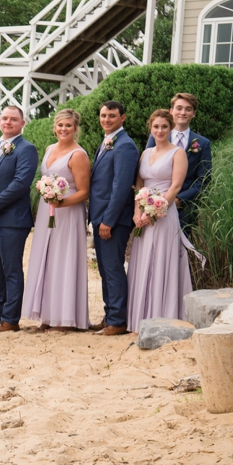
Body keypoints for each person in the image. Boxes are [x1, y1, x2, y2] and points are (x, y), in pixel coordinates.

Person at [21, 109, 91, 332]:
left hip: (68, 213)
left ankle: (65, 318)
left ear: (76, 128)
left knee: (64, 259)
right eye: (60, 125)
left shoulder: (78, 155)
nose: (64, 129)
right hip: (47, 211)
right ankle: (49, 316)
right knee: (48, 258)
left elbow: (83, 192)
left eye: (69, 126)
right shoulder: (50, 149)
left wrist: (62, 203)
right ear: (55, 127)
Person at [128, 109, 194, 332]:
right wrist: (138, 212)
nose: (159, 130)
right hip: (143, 217)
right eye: (156, 127)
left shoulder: (178, 153)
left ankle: (162, 317)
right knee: (144, 260)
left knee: (161, 261)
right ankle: (140, 318)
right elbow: (139, 185)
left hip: (164, 216)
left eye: (164, 127)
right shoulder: (145, 153)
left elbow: (175, 186)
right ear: (150, 128)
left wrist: (154, 210)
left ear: (171, 128)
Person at [0, 106, 39, 334]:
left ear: (22, 123)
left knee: (11, 270)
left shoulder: (27, 149)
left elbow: (21, 183)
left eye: (14, 119)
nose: (8, 122)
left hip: (13, 220)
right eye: (4, 118)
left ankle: (10, 319)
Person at [88, 101, 140, 337]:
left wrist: (108, 220)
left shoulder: (125, 145)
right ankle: (110, 316)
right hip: (100, 217)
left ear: (123, 118)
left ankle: (118, 320)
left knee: (113, 269)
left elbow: (120, 187)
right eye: (103, 115)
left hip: (113, 220)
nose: (106, 119)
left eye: (111, 116)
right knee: (105, 270)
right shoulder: (108, 141)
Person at [145, 93, 212, 234]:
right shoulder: (156, 135)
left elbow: (204, 179)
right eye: (179, 108)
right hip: (154, 204)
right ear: (171, 111)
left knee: (179, 252)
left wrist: (179, 200)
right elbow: (148, 168)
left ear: (194, 114)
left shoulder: (203, 143)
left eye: (188, 109)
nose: (183, 112)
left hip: (184, 210)